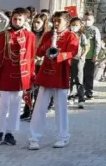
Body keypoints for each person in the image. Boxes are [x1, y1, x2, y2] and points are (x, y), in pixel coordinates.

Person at [28, 11, 80, 150]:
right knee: (39, 107)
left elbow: (72, 52)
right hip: (46, 74)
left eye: (59, 21)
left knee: (61, 108)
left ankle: (63, 137)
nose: (56, 24)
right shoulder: (48, 34)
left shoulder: (71, 36)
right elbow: (39, 52)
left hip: (61, 74)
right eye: (55, 21)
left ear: (67, 23)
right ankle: (34, 137)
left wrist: (58, 54)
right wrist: (48, 44)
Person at [0, 8, 36, 146]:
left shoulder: (30, 36)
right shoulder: (2, 36)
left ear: (25, 20)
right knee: (3, 104)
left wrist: (32, 76)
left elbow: (31, 57)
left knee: (17, 105)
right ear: (11, 19)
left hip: (22, 75)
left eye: (20, 19)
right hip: (6, 74)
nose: (17, 21)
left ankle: (10, 132)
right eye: (15, 18)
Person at [68, 17, 89, 109]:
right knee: (70, 79)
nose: (74, 27)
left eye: (76, 25)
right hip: (69, 59)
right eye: (73, 25)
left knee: (79, 79)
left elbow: (86, 46)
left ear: (80, 26)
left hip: (78, 59)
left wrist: (82, 55)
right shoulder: (67, 34)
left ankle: (81, 99)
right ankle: (71, 96)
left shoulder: (81, 35)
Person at [82, 12, 103, 100]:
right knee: (80, 75)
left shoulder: (95, 30)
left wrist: (95, 55)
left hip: (90, 56)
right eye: (85, 19)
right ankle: (79, 92)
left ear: (93, 21)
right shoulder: (80, 29)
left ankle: (89, 92)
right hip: (80, 56)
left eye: (89, 19)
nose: (87, 21)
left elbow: (98, 43)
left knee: (89, 75)